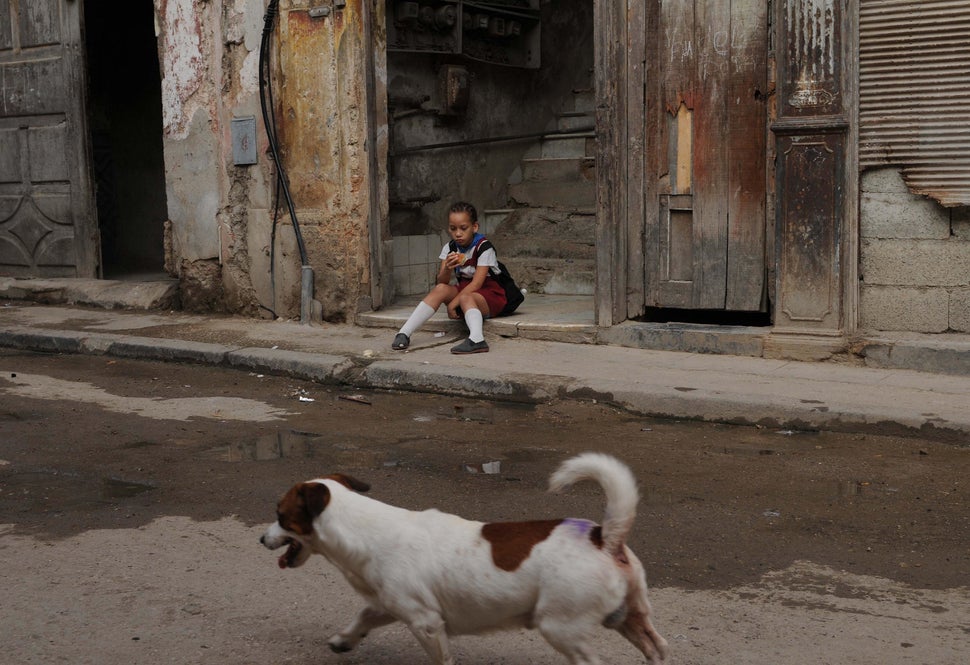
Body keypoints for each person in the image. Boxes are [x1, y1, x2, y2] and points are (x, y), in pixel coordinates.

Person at [392, 201, 508, 354]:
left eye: (463, 228)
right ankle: (404, 333)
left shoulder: (484, 247)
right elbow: (442, 281)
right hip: (465, 290)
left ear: (475, 227)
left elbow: (477, 283)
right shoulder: (450, 248)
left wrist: (453, 303)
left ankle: (477, 339)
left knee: (467, 297)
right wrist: (447, 267)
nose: (458, 233)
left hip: (489, 294)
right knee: (440, 289)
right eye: (453, 229)